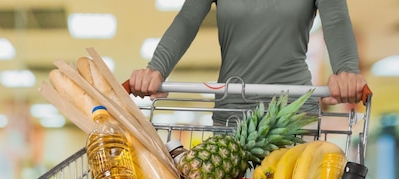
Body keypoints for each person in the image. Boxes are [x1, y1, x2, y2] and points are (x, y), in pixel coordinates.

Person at [129, 0, 367, 125]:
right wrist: (156, 69)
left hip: (294, 117)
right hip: (231, 116)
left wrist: (346, 70)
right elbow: (187, 19)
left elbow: (336, 20)